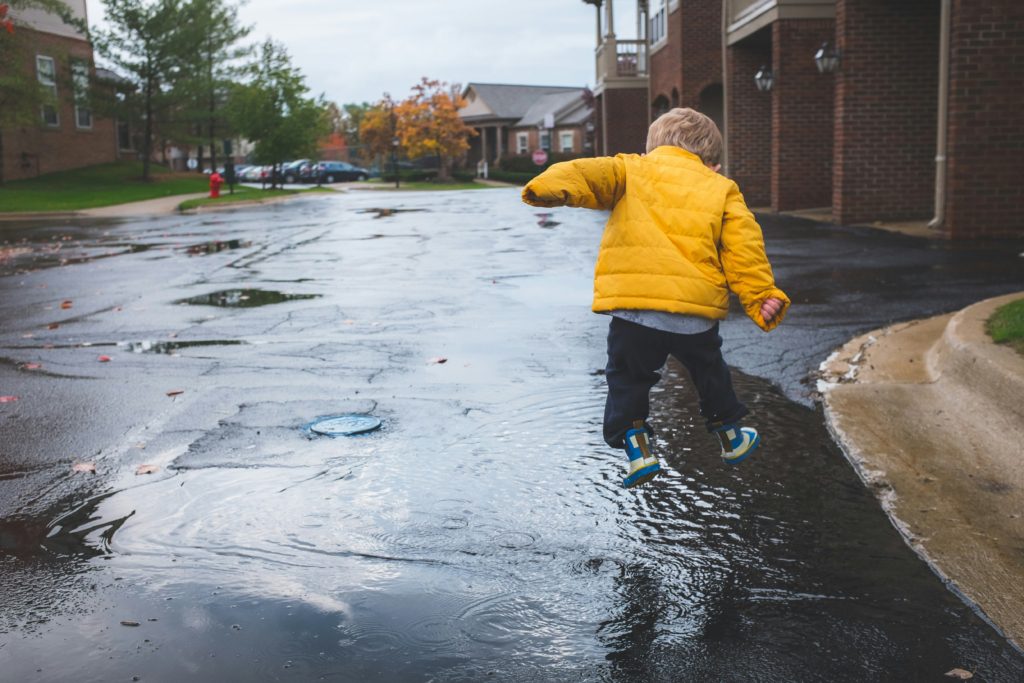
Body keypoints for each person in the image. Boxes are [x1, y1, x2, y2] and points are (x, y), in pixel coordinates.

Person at [522, 108, 789, 489]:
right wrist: (760, 295)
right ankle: (730, 435)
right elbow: (743, 248)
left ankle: (638, 447)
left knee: (628, 377)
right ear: (711, 160)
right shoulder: (721, 188)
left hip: (635, 312)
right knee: (709, 370)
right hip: (693, 314)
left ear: (652, 147)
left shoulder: (632, 169)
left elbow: (585, 173)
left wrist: (546, 187)